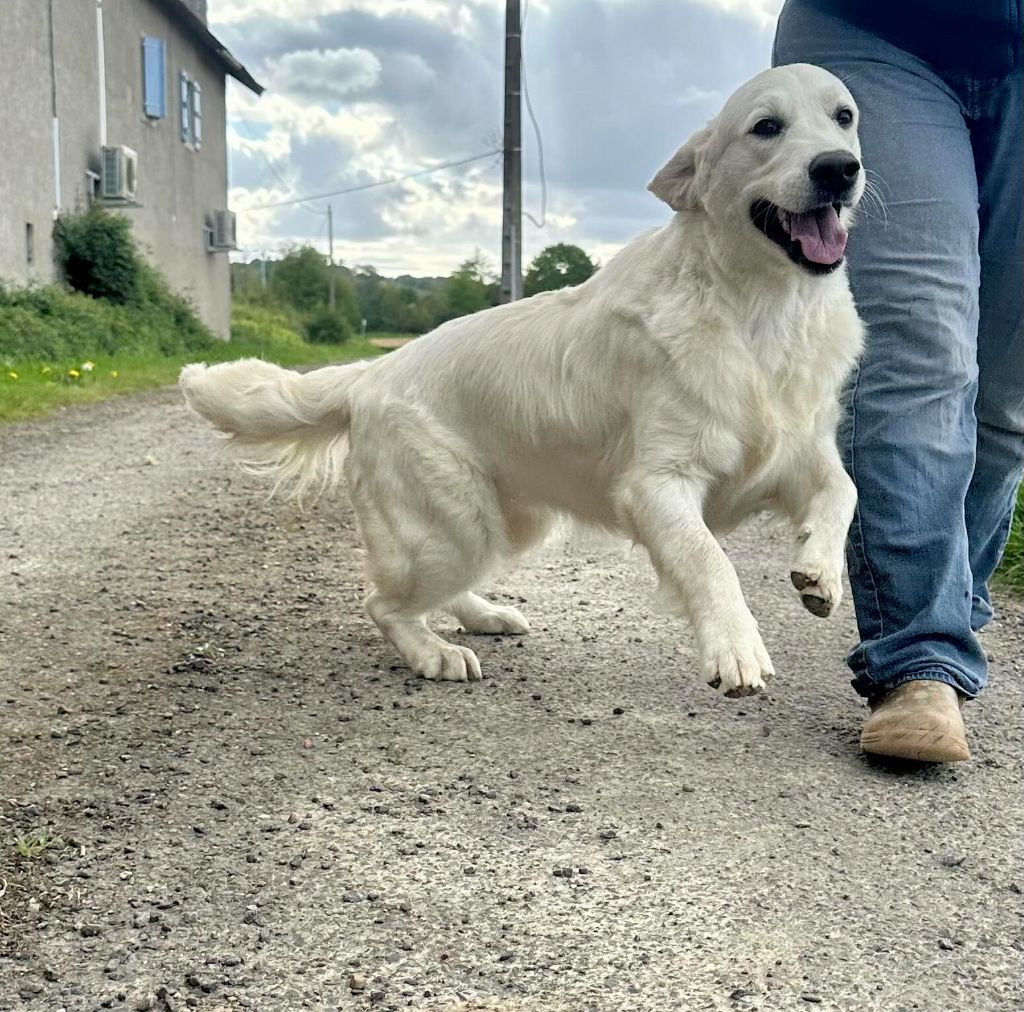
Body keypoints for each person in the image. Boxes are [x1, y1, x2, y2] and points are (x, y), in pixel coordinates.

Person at [772, 2, 1023, 762]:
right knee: (920, 350)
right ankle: (918, 661)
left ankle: (954, 601)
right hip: (877, 26)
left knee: (1008, 389)